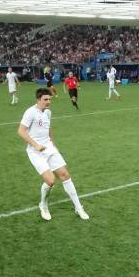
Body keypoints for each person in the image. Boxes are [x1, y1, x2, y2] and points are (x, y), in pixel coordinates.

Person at [18, 88, 89, 221]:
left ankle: (78, 207)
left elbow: (48, 128)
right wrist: (36, 145)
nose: (48, 101)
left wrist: (53, 143)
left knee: (65, 175)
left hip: (49, 148)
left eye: (50, 99)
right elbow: (21, 131)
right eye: (45, 99)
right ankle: (43, 205)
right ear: (38, 99)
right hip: (35, 152)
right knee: (50, 181)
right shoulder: (30, 112)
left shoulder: (48, 113)